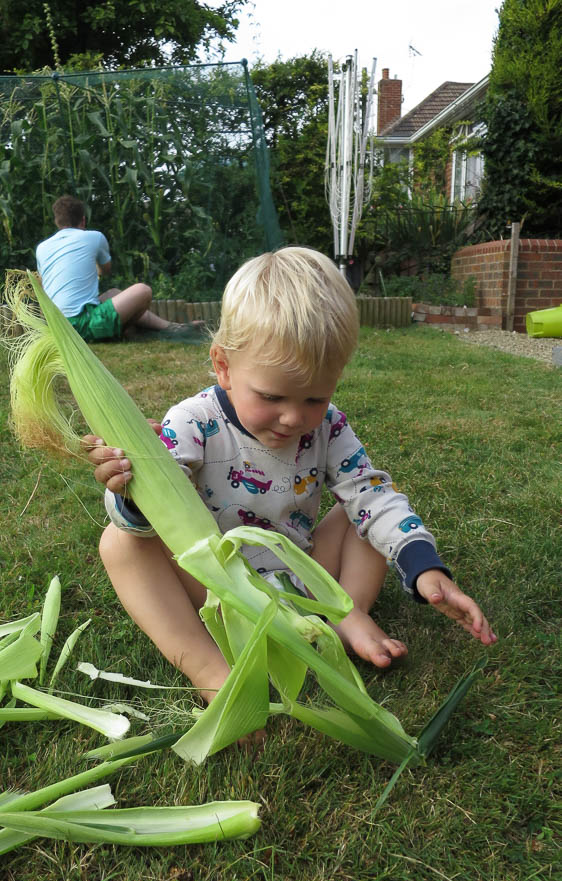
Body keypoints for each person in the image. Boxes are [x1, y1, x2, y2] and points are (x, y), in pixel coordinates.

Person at [85, 247, 496, 729]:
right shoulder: (192, 422)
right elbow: (147, 515)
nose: (293, 417)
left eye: (316, 397)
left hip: (304, 577)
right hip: (219, 588)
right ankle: (212, 672)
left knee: (359, 509)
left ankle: (345, 613)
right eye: (272, 396)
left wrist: (423, 567)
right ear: (223, 366)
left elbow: (371, 494)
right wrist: (131, 488)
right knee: (120, 544)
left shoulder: (328, 428)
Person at [36, 195, 203, 343]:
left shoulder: (42, 248)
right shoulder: (94, 237)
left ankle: (172, 327)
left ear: (57, 221)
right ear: (83, 220)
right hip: (81, 325)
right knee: (143, 291)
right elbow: (105, 270)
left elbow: (44, 287)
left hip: (57, 326)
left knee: (114, 293)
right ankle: (121, 332)